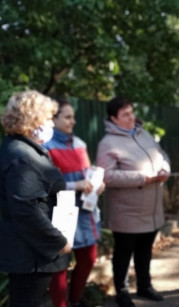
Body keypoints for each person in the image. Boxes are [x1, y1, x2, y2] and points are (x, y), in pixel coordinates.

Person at [96, 97, 171, 307]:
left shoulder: (143, 133)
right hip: (126, 210)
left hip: (151, 207)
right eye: (125, 115)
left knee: (145, 249)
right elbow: (107, 176)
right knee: (123, 252)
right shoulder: (108, 143)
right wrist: (142, 178)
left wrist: (165, 169)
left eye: (131, 112)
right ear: (113, 119)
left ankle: (144, 286)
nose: (131, 117)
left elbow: (161, 154)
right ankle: (121, 291)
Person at [0, 90, 72, 305]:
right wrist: (57, 241)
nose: (51, 123)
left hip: (33, 252)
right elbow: (25, 209)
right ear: (32, 119)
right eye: (48, 118)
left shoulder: (22, 148)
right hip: (30, 254)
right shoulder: (21, 154)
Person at [43, 99, 105, 307]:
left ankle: (76, 300)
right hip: (60, 210)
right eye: (67, 117)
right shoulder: (45, 147)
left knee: (88, 258)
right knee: (59, 265)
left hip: (86, 209)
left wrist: (97, 184)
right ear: (53, 118)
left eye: (73, 117)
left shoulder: (79, 143)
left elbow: (87, 174)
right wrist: (74, 185)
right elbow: (46, 185)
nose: (73, 121)